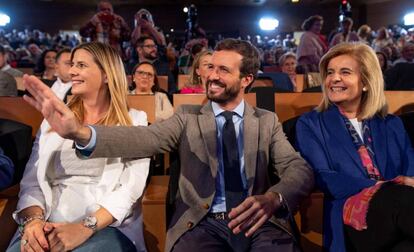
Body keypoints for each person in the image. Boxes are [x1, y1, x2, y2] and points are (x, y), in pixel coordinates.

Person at [23, 38, 314, 252]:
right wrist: (82, 133)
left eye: (223, 70)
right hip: (202, 224)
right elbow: (142, 139)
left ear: (246, 79)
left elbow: (297, 168)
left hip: (257, 223)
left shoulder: (266, 121)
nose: (211, 75)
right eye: (210, 67)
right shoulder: (186, 118)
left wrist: (274, 198)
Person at [8, 42, 150, 252]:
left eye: (81, 65)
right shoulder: (52, 119)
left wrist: (84, 228)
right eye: (72, 64)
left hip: (104, 225)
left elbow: (130, 189)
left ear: (106, 75)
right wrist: (33, 222)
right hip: (47, 220)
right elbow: (32, 182)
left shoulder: (135, 120)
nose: (72, 71)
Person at [296, 42, 414, 252]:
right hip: (352, 217)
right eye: (330, 72)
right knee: (402, 198)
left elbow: (410, 171)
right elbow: (324, 177)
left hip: (401, 214)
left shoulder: (391, 124)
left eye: (345, 72)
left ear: (366, 82)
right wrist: (382, 187)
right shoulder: (311, 124)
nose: (334, 79)